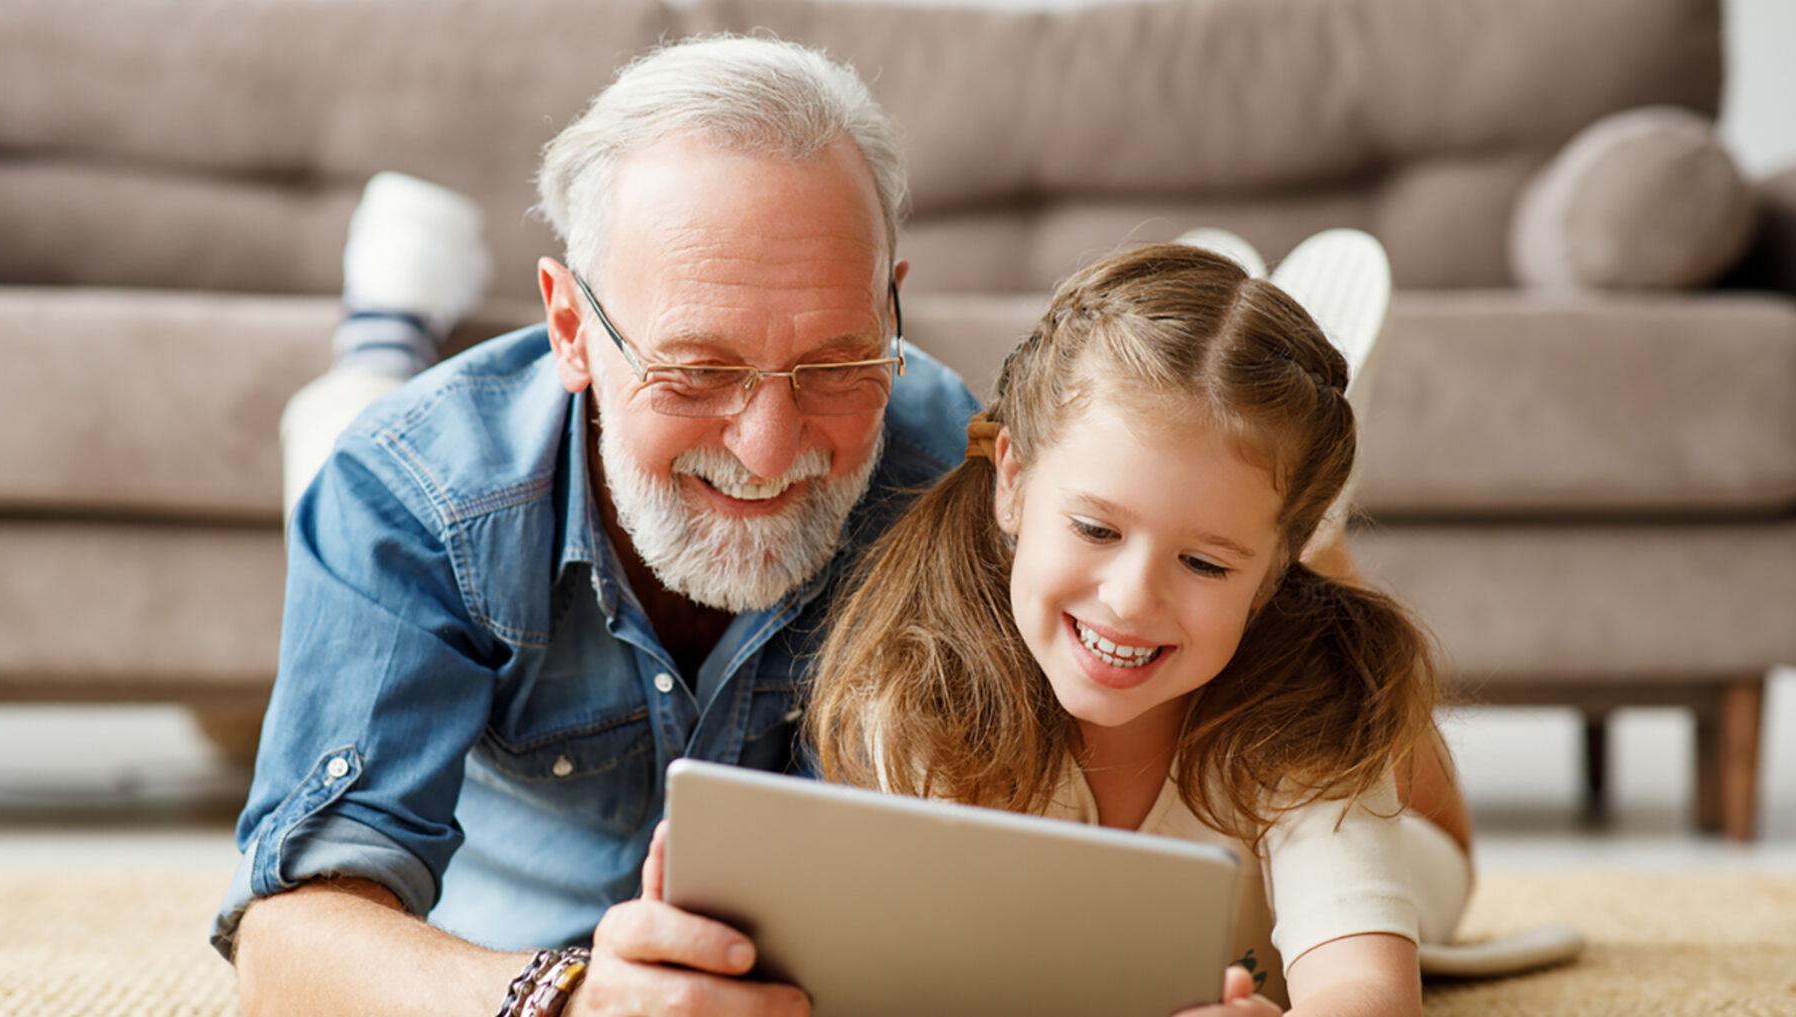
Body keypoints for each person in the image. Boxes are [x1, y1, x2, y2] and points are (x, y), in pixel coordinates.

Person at [212, 36, 979, 1017]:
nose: (770, 447)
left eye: (836, 362)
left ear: (891, 306)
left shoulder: (953, 472)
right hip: (492, 955)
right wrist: (568, 1002)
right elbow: (284, 949)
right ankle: (385, 320)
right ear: (571, 330)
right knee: (335, 433)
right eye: (698, 370)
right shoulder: (411, 492)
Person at [804, 242, 1554, 1015]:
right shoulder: (927, 691)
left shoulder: (1308, 717)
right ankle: (1270, 513)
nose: (1129, 600)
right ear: (1014, 486)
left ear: (1266, 577)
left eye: (1202, 562)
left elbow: (1367, 988)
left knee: (1411, 818)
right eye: (1096, 528)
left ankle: (1315, 538)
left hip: (1385, 814)